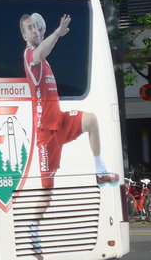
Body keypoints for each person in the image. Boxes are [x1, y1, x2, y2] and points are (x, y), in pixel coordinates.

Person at [21, 12, 117, 188]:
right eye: (30, 28)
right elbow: (40, 52)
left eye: (37, 27)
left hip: (59, 121)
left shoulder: (45, 62)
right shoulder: (29, 56)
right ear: (24, 36)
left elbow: (44, 48)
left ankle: (100, 171)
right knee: (47, 192)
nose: (35, 31)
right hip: (46, 131)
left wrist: (52, 36)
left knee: (91, 120)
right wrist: (56, 33)